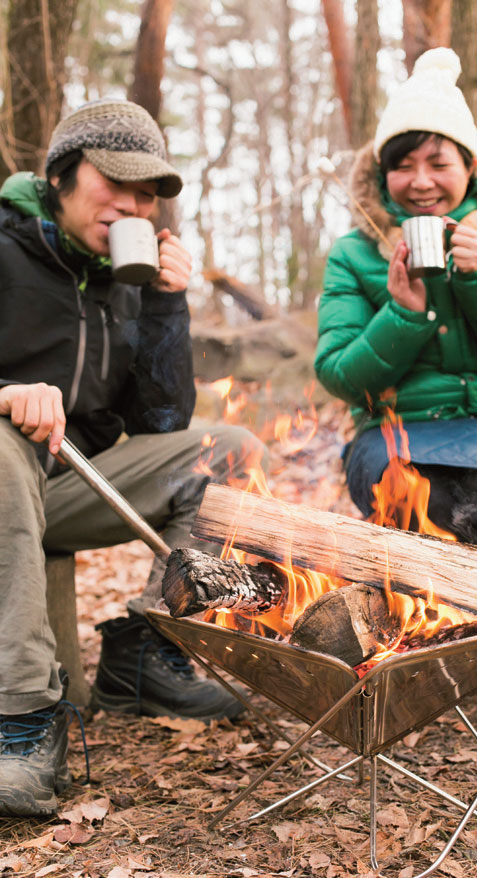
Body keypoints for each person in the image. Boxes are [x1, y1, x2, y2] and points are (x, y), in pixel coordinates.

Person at [0, 99, 268, 817]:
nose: (131, 205)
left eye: (146, 193)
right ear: (60, 176)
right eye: (112, 183)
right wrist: (6, 392)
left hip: (68, 483)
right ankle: (22, 722)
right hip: (1, 472)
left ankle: (147, 649)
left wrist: (165, 307)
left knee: (228, 449)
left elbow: (159, 420)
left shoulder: (126, 278)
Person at [315, 49, 477, 731]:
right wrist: (403, 312)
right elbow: (339, 372)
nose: (420, 181)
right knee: (419, 482)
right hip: (391, 432)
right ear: (381, 174)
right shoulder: (353, 254)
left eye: (439, 162)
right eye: (402, 164)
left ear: (470, 168)